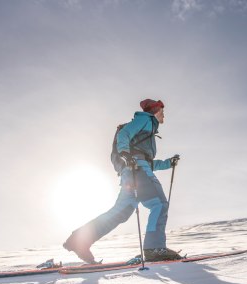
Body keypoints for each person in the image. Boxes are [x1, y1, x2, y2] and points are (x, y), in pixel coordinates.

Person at [63, 99, 181, 264]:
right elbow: (125, 134)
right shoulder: (146, 120)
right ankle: (154, 248)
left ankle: (79, 240)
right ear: (154, 111)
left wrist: (168, 163)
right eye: (162, 110)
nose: (164, 114)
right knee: (159, 204)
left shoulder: (148, 131)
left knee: (120, 213)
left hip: (131, 172)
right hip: (137, 170)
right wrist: (125, 153)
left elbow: (147, 161)